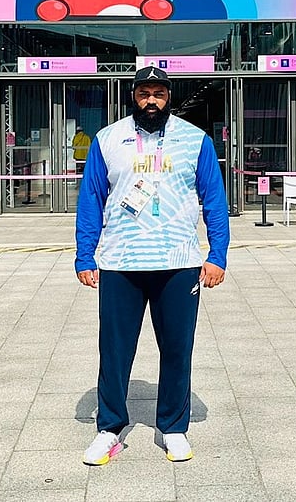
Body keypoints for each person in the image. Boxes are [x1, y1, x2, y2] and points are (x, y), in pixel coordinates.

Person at [75, 65, 230, 466]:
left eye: (158, 94)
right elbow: (91, 198)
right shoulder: (108, 139)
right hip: (121, 261)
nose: (151, 101)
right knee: (114, 350)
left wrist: (216, 255)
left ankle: (173, 427)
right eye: (144, 93)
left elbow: (214, 200)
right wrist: (84, 253)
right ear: (134, 96)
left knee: (177, 349)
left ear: (168, 97)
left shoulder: (194, 140)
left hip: (178, 262)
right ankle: (109, 428)